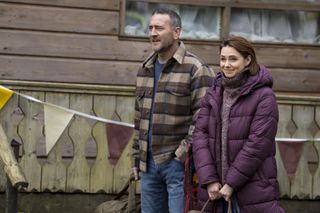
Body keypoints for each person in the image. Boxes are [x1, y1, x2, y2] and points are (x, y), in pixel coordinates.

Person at [131, 7, 214, 213]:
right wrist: (136, 157)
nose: (152, 33)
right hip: (148, 165)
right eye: (150, 28)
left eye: (159, 27)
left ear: (176, 32)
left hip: (178, 166)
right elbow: (138, 117)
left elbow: (204, 118)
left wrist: (181, 155)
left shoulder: (196, 68)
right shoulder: (145, 68)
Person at [192, 36, 285, 213]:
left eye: (233, 59)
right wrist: (209, 179)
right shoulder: (213, 92)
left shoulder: (264, 96)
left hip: (252, 189)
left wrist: (231, 183)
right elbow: (200, 135)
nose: (226, 64)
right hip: (214, 190)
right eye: (223, 59)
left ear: (247, 60)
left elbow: (257, 144)